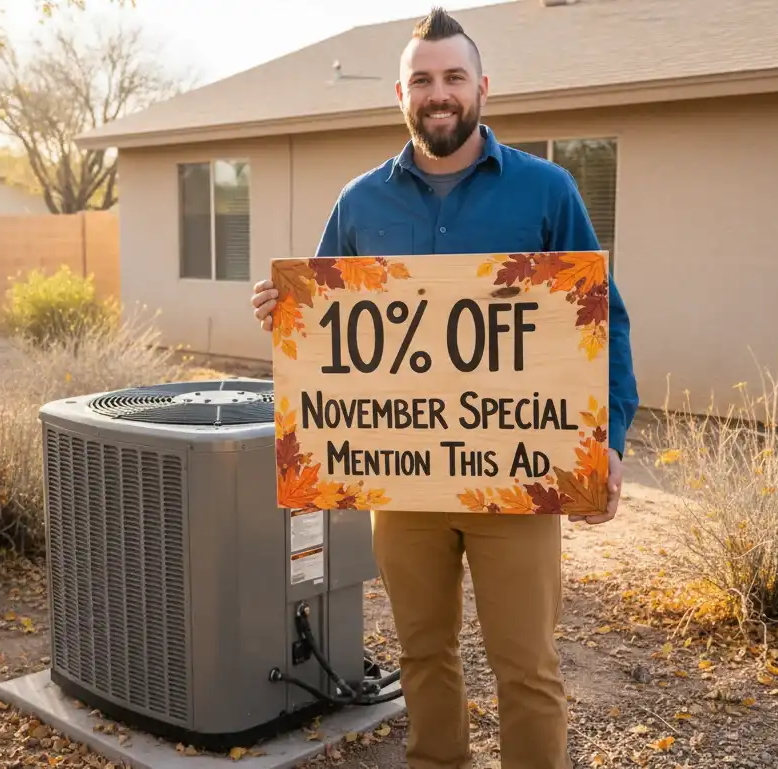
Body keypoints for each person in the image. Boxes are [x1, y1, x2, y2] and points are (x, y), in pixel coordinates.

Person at [247, 7, 637, 769]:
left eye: (454, 77)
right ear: (401, 94)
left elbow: (604, 322)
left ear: (482, 87)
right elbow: (330, 331)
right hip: (405, 476)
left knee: (526, 664)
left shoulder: (548, 191)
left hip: (518, 472)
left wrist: (609, 443)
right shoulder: (360, 203)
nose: (440, 93)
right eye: (423, 79)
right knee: (423, 653)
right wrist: (284, 312)